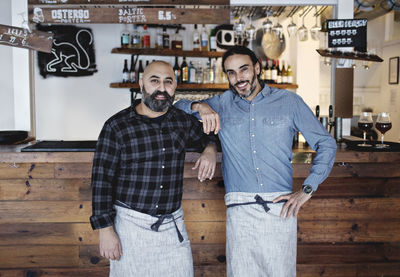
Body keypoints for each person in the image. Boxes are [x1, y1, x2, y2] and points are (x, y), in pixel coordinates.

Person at [175, 46, 337, 276]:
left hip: (281, 208)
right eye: (231, 73)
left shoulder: (289, 102)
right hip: (239, 210)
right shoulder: (220, 103)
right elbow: (177, 107)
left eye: (244, 70)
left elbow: (326, 144)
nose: (238, 78)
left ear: (257, 68)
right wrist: (200, 108)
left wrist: (307, 190)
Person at [90, 61, 217, 277]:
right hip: (130, 227)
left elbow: (210, 137)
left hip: (172, 226)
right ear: (141, 83)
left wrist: (210, 150)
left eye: (168, 82)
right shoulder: (117, 126)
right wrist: (105, 230)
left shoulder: (182, 122)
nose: (161, 88)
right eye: (154, 80)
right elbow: (102, 180)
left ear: (175, 86)